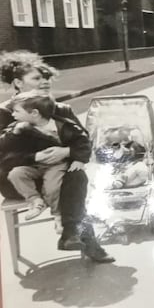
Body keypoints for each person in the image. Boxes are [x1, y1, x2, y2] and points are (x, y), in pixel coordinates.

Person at [0, 51, 113, 262]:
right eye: (36, 78)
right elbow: (3, 156)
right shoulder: (7, 113)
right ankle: (74, 232)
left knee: (76, 176)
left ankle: (72, 235)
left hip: (57, 172)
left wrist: (67, 151)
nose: (44, 82)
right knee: (71, 186)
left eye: (46, 78)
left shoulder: (59, 108)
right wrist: (35, 157)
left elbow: (83, 140)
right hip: (20, 178)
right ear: (18, 83)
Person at [0, 92, 90, 225]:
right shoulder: (19, 127)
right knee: (16, 174)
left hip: (56, 164)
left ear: (34, 113)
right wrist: (15, 133)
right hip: (34, 165)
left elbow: (83, 142)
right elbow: (5, 149)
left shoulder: (64, 125)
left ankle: (58, 215)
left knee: (52, 186)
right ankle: (36, 201)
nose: (13, 115)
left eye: (16, 111)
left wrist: (78, 158)